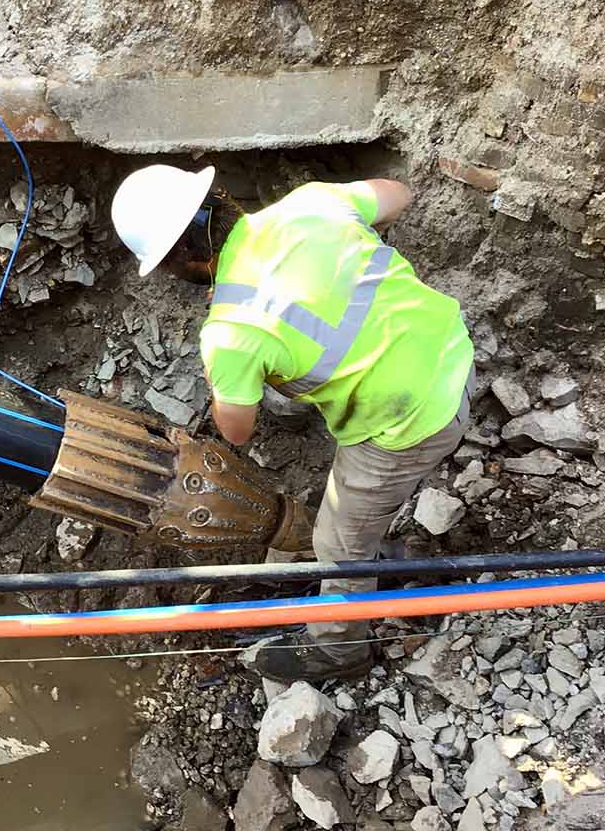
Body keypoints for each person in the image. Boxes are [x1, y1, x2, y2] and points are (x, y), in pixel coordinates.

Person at [110, 165, 475, 681]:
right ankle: (383, 553)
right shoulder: (311, 205)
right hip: (452, 354)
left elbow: (236, 432)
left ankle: (338, 651)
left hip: (412, 421)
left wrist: (228, 368)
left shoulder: (232, 331)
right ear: (222, 197)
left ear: (182, 260)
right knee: (293, 378)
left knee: (337, 544)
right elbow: (398, 194)